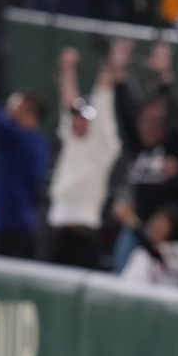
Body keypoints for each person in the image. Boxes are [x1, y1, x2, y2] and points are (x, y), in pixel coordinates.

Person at [45, 43, 123, 269]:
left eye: (85, 116)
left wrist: (109, 67)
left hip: (84, 235)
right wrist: (68, 68)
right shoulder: (70, 140)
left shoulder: (103, 146)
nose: (78, 120)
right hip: (58, 231)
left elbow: (103, 99)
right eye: (77, 116)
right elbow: (69, 105)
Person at [0, 46, 49, 259]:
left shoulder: (19, 138)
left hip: (10, 229)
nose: (9, 111)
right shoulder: (38, 141)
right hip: (20, 225)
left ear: (28, 113)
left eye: (15, 107)